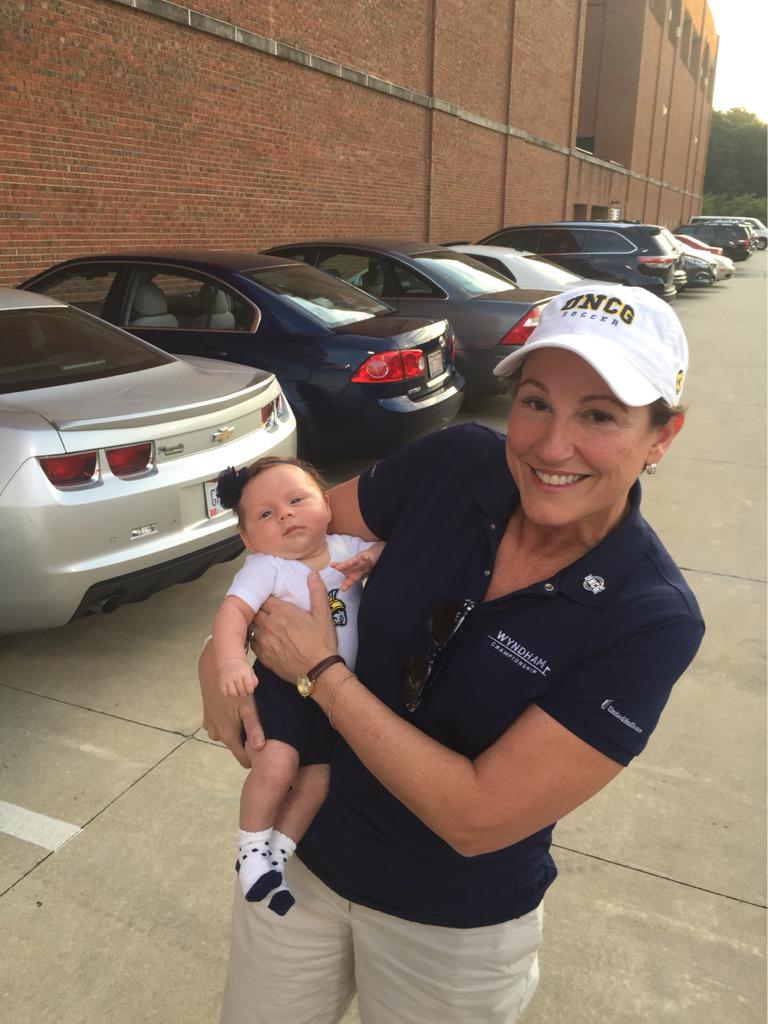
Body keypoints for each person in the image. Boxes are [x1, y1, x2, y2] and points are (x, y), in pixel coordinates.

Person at [201, 285, 705, 1024]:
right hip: (302, 856)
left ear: (662, 437)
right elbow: (292, 543)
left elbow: (478, 817)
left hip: (448, 928)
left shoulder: (647, 616)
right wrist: (216, 659)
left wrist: (319, 674)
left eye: (598, 414)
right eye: (535, 401)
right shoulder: (457, 462)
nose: (550, 445)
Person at [205, 456, 382, 915]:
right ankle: (250, 849)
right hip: (282, 687)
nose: (284, 514)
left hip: (336, 695)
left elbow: (393, 547)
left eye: (295, 500)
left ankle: (276, 858)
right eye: (265, 514)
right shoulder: (268, 568)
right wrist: (228, 663)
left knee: (318, 779)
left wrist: (375, 556)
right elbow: (233, 613)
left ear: (326, 505)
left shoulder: (348, 547)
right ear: (247, 539)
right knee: (279, 764)